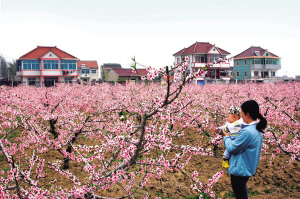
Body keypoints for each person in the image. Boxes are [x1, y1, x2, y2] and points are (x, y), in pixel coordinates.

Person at [222, 100, 267, 199]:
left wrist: (226, 137)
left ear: (247, 114)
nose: (240, 116)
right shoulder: (258, 129)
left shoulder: (248, 132)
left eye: (242, 113)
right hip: (247, 168)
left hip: (239, 170)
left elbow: (232, 148)